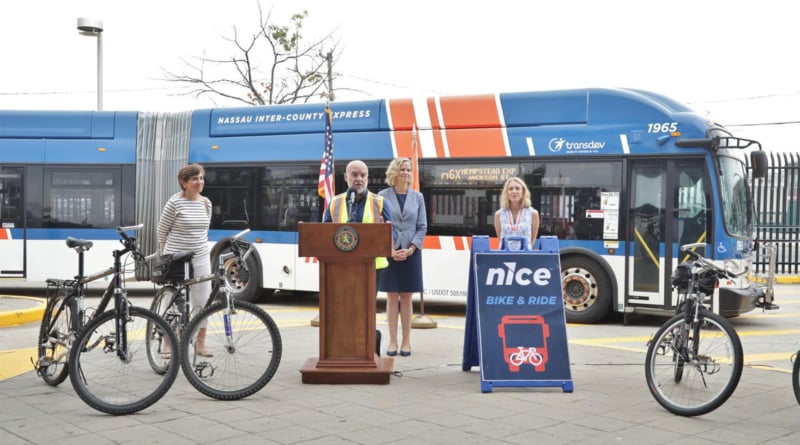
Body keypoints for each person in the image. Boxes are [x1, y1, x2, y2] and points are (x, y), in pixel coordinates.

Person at [157, 163, 213, 357]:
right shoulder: (175, 203)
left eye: (201, 178)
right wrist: (168, 257)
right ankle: (167, 342)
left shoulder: (206, 203)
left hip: (200, 257)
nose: (200, 182)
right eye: (195, 179)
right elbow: (162, 231)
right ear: (184, 182)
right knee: (173, 300)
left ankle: (200, 342)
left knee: (202, 301)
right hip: (177, 257)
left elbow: (204, 231)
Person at [377, 158, 427, 357]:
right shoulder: (382, 196)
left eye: (408, 169)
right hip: (390, 252)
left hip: (411, 252)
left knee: (406, 298)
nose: (405, 172)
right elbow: (380, 226)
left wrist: (411, 249)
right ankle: (392, 341)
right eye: (402, 169)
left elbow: (422, 226)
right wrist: (389, 249)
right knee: (391, 297)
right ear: (394, 172)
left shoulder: (418, 197)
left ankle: (406, 342)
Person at [494, 177, 540, 250]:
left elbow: (532, 240)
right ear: (506, 192)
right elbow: (500, 238)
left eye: (517, 188)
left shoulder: (533, 213)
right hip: (504, 256)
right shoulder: (498, 214)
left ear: (523, 192)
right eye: (511, 189)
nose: (514, 191)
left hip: (525, 256)